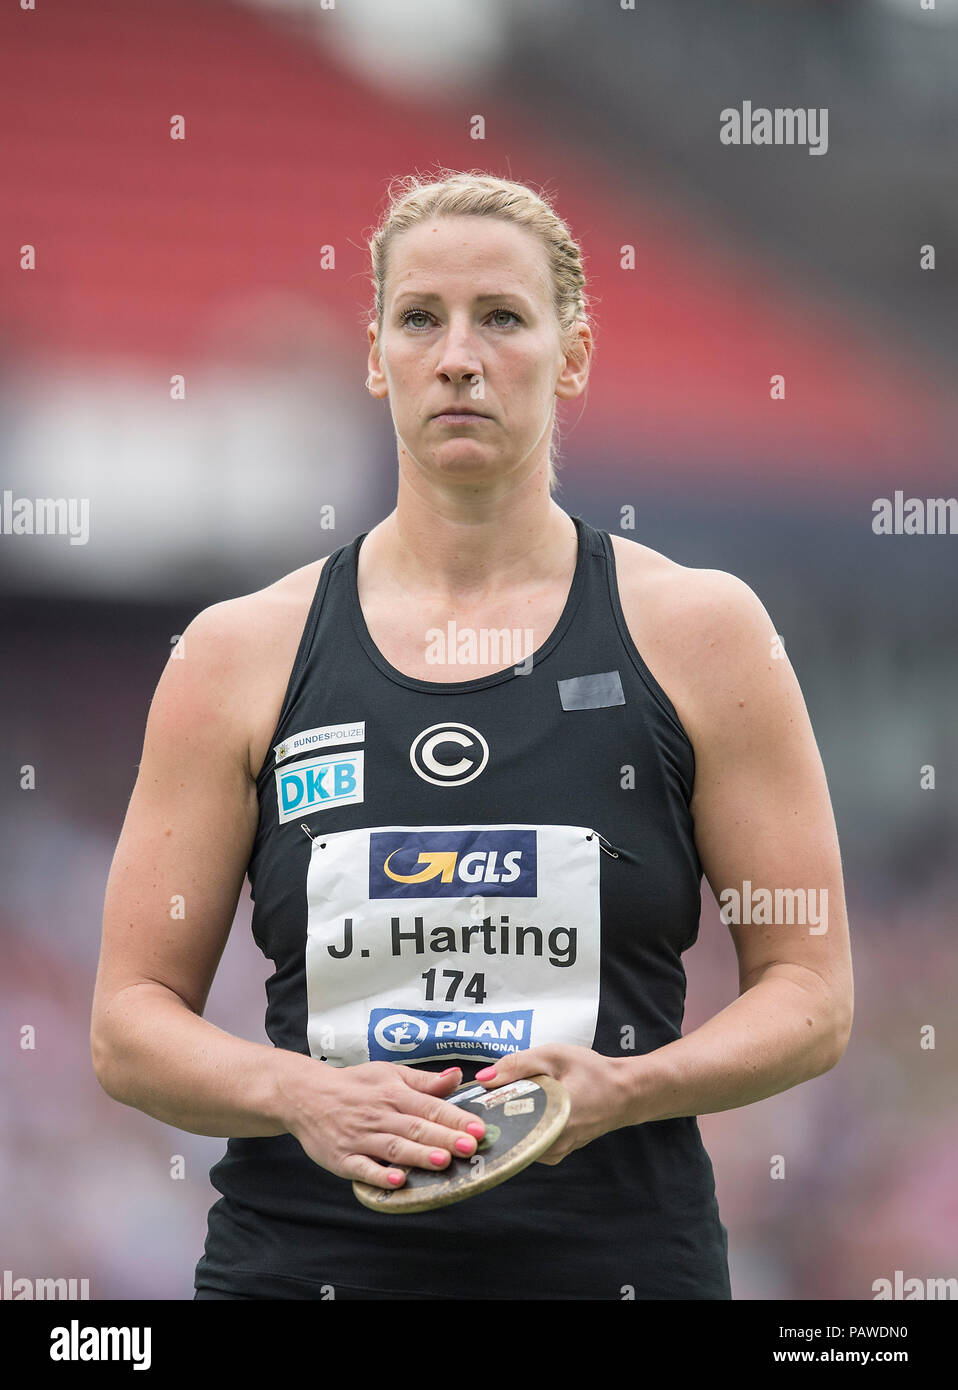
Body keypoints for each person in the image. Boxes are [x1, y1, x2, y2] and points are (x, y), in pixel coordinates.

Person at [91, 169, 854, 1300]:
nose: (458, 355)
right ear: (375, 355)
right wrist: (297, 1092)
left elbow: (811, 991)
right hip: (303, 1263)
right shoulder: (238, 651)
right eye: (419, 319)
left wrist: (628, 1087)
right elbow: (127, 1023)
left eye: (500, 317)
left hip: (612, 1263)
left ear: (574, 354)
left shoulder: (702, 632)